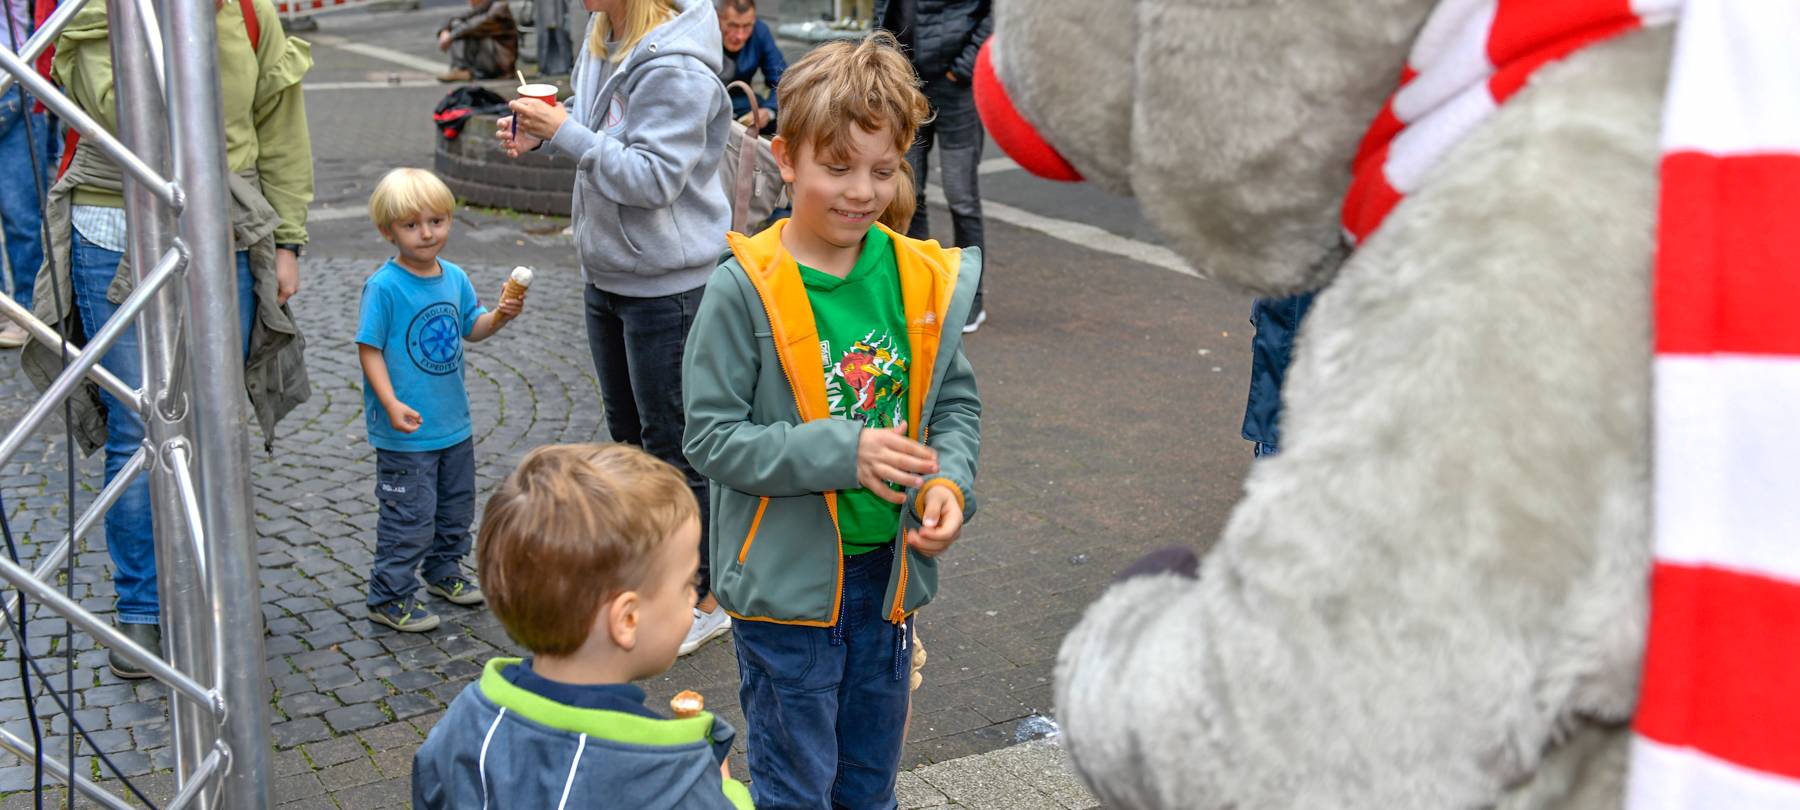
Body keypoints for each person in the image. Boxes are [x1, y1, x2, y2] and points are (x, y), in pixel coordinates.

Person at [682, 32, 982, 808]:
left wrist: (949, 478)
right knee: (796, 787)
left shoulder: (918, 276)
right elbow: (711, 437)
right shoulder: (743, 289)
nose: (860, 191)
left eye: (882, 170)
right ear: (787, 158)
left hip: (888, 581)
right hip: (785, 594)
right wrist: (839, 452)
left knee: (868, 785)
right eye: (837, 166)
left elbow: (953, 403)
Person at [26, 0, 313, 679]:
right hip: (113, 225)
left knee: (220, 422)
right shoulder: (98, 8)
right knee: (141, 428)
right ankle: (144, 609)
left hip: (226, 224)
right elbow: (125, 114)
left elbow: (280, 123)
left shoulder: (246, 10)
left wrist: (290, 239)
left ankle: (226, 594)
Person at [498, 0, 733, 657]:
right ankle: (659, 573)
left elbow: (654, 180)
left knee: (678, 450)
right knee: (630, 440)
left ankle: (708, 597)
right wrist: (545, 133)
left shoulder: (678, 64)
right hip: (610, 274)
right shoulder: (606, 33)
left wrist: (564, 130)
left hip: (669, 284)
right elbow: (602, 136)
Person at [412, 443, 752, 809]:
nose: (694, 597)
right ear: (627, 619)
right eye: (688, 583)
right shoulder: (673, 776)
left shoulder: (462, 723)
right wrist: (725, 790)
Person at [357, 168, 523, 632]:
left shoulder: (454, 277)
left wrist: (501, 316)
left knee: (454, 509)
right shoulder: (385, 287)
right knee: (408, 515)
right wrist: (389, 402)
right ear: (387, 231)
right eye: (412, 225)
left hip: (453, 424)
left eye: (436, 221)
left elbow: (473, 327)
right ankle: (388, 595)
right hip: (406, 431)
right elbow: (368, 348)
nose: (427, 233)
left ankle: (443, 570)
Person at [876, 0, 991, 333]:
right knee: (909, 192)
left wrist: (963, 67)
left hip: (956, 86)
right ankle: (918, 290)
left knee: (962, 197)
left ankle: (971, 298)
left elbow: (994, 14)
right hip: (906, 82)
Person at [0, 0, 56, 348]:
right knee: (23, 215)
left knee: (23, 215)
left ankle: (27, 311)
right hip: (17, 83)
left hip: (15, 88)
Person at [715, 0, 783, 131]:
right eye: (733, 26)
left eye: (747, 26)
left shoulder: (760, 31)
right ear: (718, 18)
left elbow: (782, 81)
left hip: (741, 102)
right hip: (707, 103)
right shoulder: (702, 31)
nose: (740, 36)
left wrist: (769, 111)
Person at [435, 0, 520, 83]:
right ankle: (461, 70)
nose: (469, 2)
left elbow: (475, 26)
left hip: (500, 64)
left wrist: (450, 37)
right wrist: (444, 31)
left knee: (462, 30)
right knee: (456, 24)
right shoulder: (485, 6)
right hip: (488, 59)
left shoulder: (499, 7)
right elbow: (455, 17)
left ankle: (462, 69)